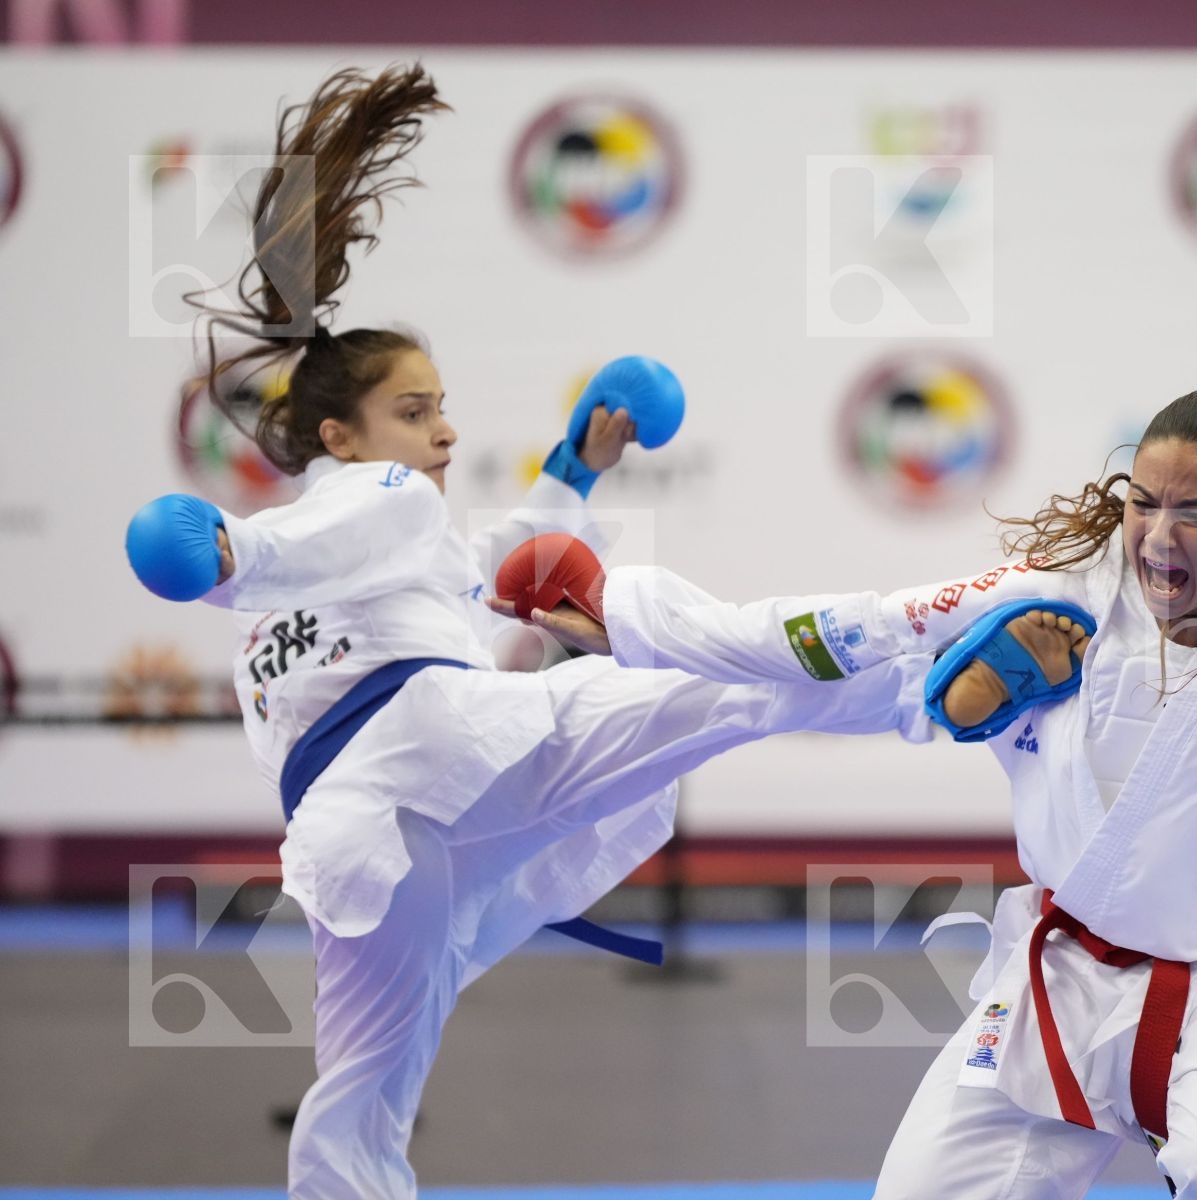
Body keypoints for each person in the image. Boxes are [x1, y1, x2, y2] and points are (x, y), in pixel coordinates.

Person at [126, 64, 936, 1199]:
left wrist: (574, 468)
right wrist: (232, 553)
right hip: (442, 757)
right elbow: (332, 543)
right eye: (416, 412)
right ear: (339, 438)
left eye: (445, 407)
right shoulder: (368, 512)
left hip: (356, 844)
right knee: (714, 689)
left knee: (358, 1104)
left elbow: (493, 592)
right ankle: (928, 664)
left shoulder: (313, 596)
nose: (446, 434)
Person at [521, 380, 1197, 1199]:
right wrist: (628, 617)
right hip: (1056, 976)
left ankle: (963, 698)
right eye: (1142, 502)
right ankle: (963, 693)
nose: (1158, 536)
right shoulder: (1066, 592)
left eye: (1195, 513)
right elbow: (854, 625)